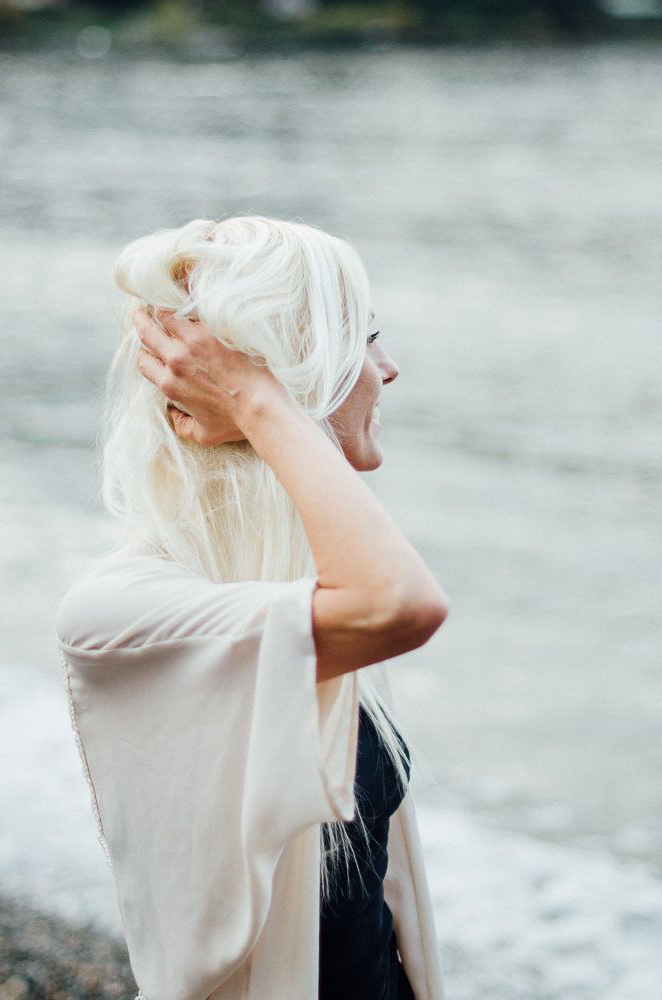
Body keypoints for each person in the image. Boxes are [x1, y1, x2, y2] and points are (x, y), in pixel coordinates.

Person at [56, 215, 449, 1000]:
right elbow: (400, 606)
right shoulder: (121, 615)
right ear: (287, 375)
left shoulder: (288, 584)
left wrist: (257, 401)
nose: (390, 368)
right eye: (364, 338)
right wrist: (258, 400)